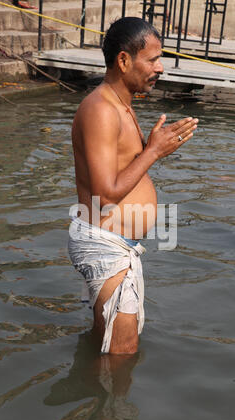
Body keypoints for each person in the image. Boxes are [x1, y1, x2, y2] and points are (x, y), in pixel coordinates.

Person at [68, 17, 198, 355]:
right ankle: (104, 408)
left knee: (108, 346)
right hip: (105, 245)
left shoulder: (122, 104)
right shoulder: (100, 109)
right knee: (121, 353)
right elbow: (104, 194)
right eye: (153, 59)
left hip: (116, 245)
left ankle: (94, 401)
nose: (161, 68)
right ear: (124, 61)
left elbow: (127, 170)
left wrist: (156, 146)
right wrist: (153, 151)